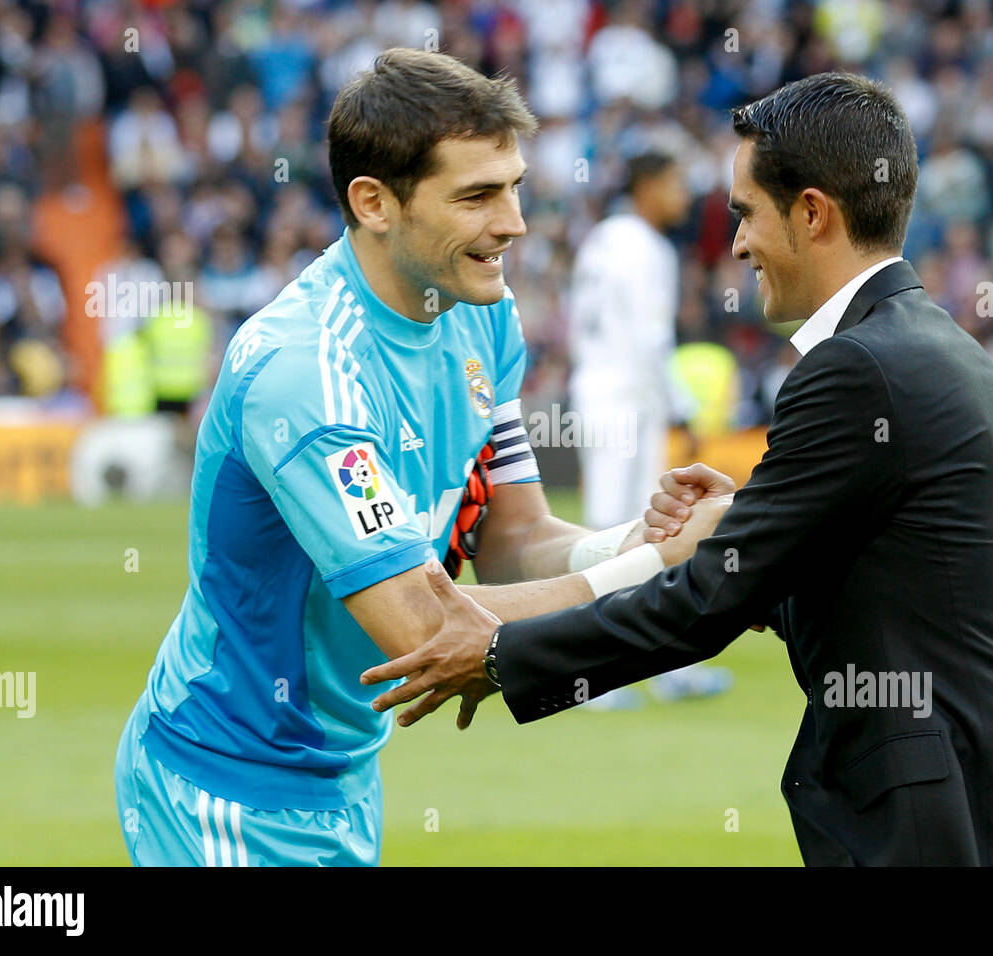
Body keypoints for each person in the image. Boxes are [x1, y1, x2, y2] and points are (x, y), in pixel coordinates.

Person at [363, 73, 993, 867]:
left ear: (812, 213)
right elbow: (889, 581)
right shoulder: (937, 346)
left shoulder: (854, 369)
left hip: (937, 820)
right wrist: (753, 523)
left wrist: (502, 653)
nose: (738, 242)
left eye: (746, 214)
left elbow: (704, 605)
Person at [113, 49, 726, 867]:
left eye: (512, 186)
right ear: (373, 202)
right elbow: (425, 630)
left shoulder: (484, 315)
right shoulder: (305, 373)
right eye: (476, 196)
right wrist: (659, 570)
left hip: (341, 779)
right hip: (227, 784)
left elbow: (512, 541)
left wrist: (643, 544)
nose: (512, 222)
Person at [568, 151, 731, 707]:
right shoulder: (645, 246)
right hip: (629, 393)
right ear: (650, 185)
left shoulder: (602, 238)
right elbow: (651, 339)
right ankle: (593, 675)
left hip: (601, 386)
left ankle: (656, 664)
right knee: (628, 531)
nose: (683, 197)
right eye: (677, 183)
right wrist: (683, 407)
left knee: (628, 528)